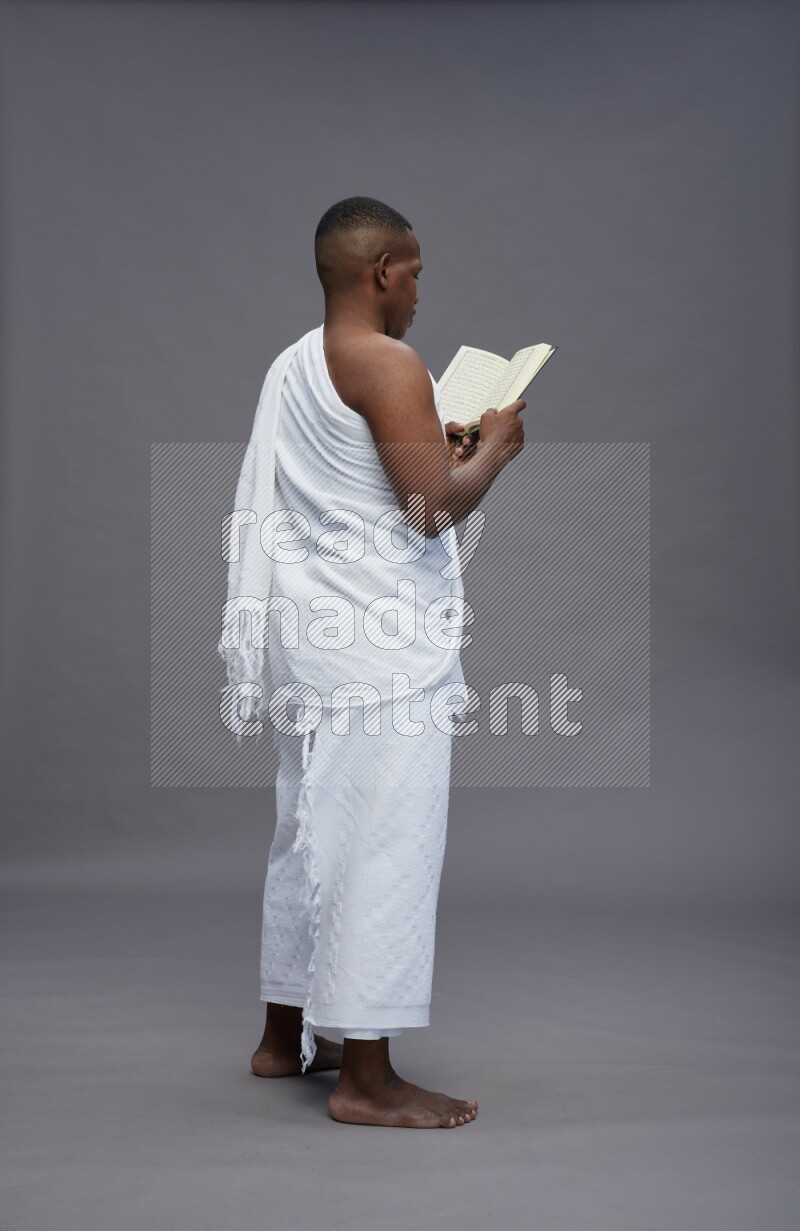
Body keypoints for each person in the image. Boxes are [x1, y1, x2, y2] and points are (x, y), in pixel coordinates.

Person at [240, 196, 525, 1127]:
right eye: (415, 273)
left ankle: (285, 1036)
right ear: (380, 270)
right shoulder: (391, 361)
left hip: (311, 642)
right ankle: (366, 1077)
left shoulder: (293, 364)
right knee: (383, 844)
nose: (418, 292)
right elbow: (430, 511)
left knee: (308, 825)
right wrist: (495, 451)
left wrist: (436, 455)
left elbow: (360, 485)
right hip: (380, 651)